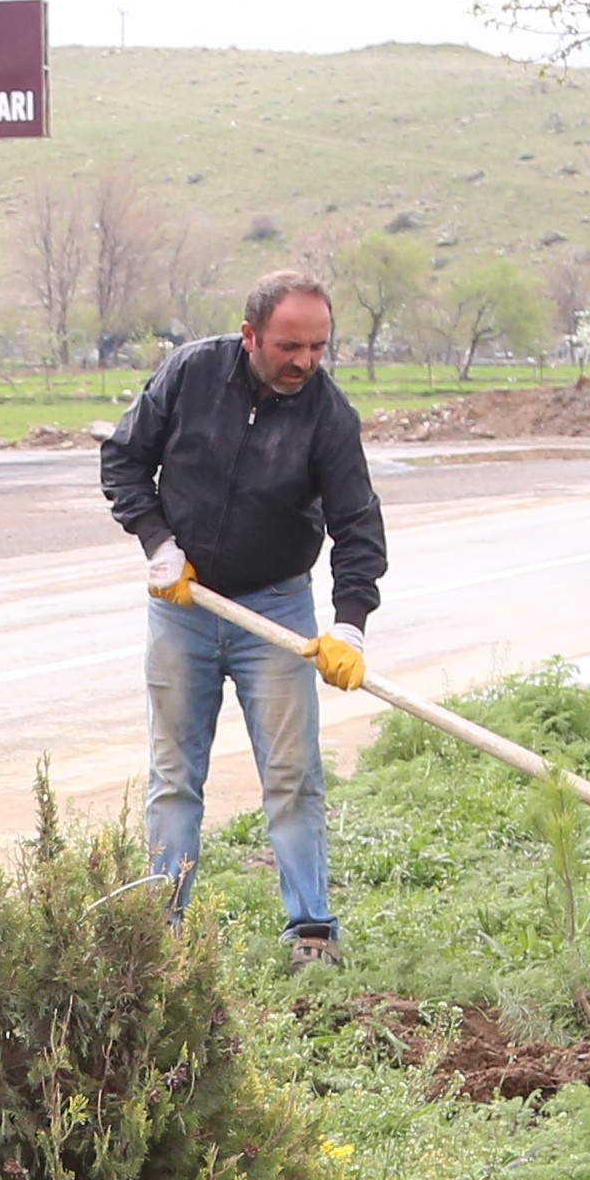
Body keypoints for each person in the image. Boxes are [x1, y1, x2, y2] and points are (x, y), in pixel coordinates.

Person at [100, 265, 387, 964]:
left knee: (292, 775)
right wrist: (159, 543)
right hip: (184, 607)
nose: (305, 363)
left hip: (277, 610)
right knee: (174, 777)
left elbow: (359, 528)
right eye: (290, 347)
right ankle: (159, 936)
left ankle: (310, 931)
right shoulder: (191, 375)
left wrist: (347, 625)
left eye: (318, 347)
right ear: (251, 334)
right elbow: (125, 461)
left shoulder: (327, 414)